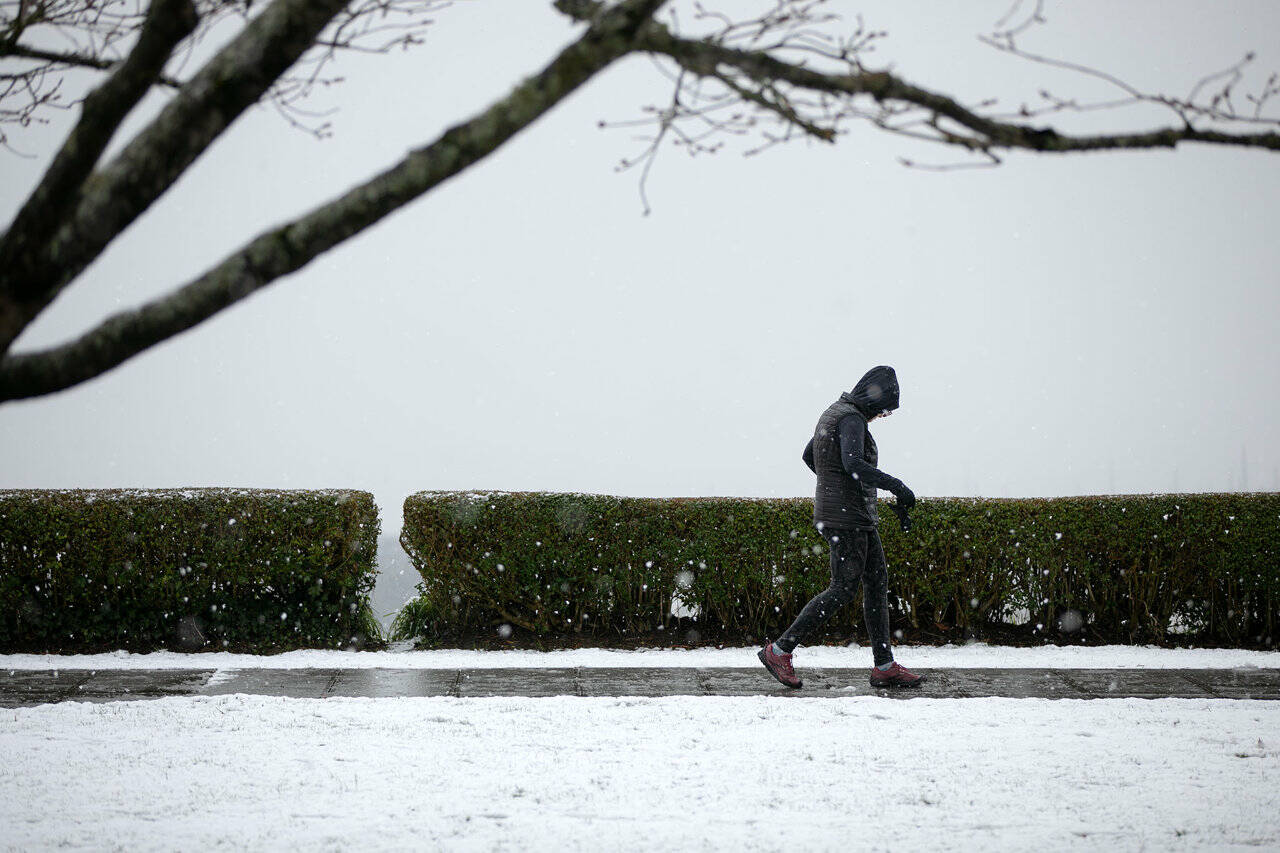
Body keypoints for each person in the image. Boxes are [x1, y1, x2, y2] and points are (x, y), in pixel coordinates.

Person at [758, 365, 926, 689]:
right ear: (873, 398)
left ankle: (884, 666)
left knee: (877, 582)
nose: (886, 414)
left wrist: (834, 487)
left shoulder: (835, 412)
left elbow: (810, 455)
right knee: (843, 589)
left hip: (852, 515)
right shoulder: (852, 418)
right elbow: (852, 464)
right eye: (886, 407)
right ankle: (779, 650)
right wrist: (897, 486)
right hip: (846, 518)